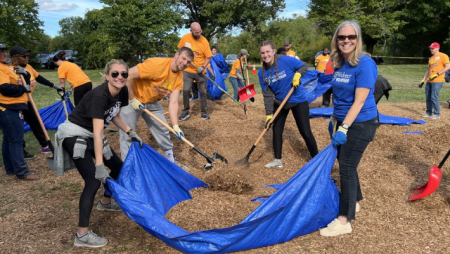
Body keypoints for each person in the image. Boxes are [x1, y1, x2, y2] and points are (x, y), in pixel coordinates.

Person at [54, 59, 143, 248]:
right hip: (75, 133)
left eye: (124, 74)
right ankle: (82, 235)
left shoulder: (122, 90)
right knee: (93, 179)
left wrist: (130, 131)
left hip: (92, 133)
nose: (120, 77)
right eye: (115, 74)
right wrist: (100, 166)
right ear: (106, 76)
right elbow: (97, 133)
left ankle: (105, 202)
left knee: (119, 167)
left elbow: (114, 115)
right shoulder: (99, 96)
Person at [319, 20, 378, 237]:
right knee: (347, 164)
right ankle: (355, 201)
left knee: (345, 166)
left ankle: (344, 220)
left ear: (358, 39)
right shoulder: (338, 62)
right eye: (342, 37)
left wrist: (343, 127)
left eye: (351, 37)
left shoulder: (364, 64)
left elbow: (360, 101)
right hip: (343, 120)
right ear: (336, 40)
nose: (346, 41)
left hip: (361, 122)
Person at [120, 47, 194, 164]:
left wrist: (175, 126)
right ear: (176, 55)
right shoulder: (156, 65)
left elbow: (174, 102)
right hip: (133, 98)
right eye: (183, 58)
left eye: (188, 62)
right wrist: (132, 99)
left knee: (163, 128)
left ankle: (170, 159)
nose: (185, 63)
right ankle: (128, 166)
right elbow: (127, 75)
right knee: (127, 132)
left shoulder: (179, 78)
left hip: (152, 102)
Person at [258, 41, 318, 168]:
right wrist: (269, 115)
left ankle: (317, 160)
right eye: (263, 53)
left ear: (274, 51)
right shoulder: (261, 73)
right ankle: (278, 160)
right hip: (280, 102)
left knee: (305, 132)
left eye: (268, 51)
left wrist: (298, 74)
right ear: (260, 54)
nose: (266, 55)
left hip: (297, 99)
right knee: (276, 130)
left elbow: (304, 66)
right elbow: (268, 95)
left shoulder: (285, 60)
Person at [9, 46, 64, 159]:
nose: (27, 58)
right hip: (16, 103)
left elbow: (39, 78)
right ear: (16, 57)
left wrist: (55, 86)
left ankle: (45, 145)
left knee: (36, 122)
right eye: (24, 56)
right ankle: (21, 151)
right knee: (18, 127)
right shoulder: (10, 70)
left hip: (28, 101)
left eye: (27, 55)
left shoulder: (28, 67)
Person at [0, 42, 39, 180]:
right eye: (0, 51)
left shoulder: (6, 67)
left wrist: (25, 76)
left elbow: (18, 82)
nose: (3, 53)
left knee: (9, 139)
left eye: (4, 50)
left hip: (12, 107)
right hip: (7, 107)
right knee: (16, 140)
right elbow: (4, 88)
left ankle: (10, 168)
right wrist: (24, 89)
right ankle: (22, 172)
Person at [178, 22, 213, 121]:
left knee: (203, 91)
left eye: (200, 32)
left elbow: (208, 57)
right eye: (196, 32)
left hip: (200, 71)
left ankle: (204, 113)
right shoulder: (185, 38)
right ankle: (185, 112)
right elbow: (180, 51)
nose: (198, 34)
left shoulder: (204, 41)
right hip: (187, 69)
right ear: (191, 31)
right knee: (185, 90)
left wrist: (202, 67)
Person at [419, 42, 450, 120]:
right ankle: (428, 112)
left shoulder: (443, 56)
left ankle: (437, 113)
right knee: (428, 97)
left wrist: (437, 74)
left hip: (438, 80)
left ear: (437, 48)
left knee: (434, 97)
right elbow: (428, 70)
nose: (431, 49)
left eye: (432, 48)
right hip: (429, 80)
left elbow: (448, 67)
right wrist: (423, 79)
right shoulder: (431, 58)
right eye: (430, 48)